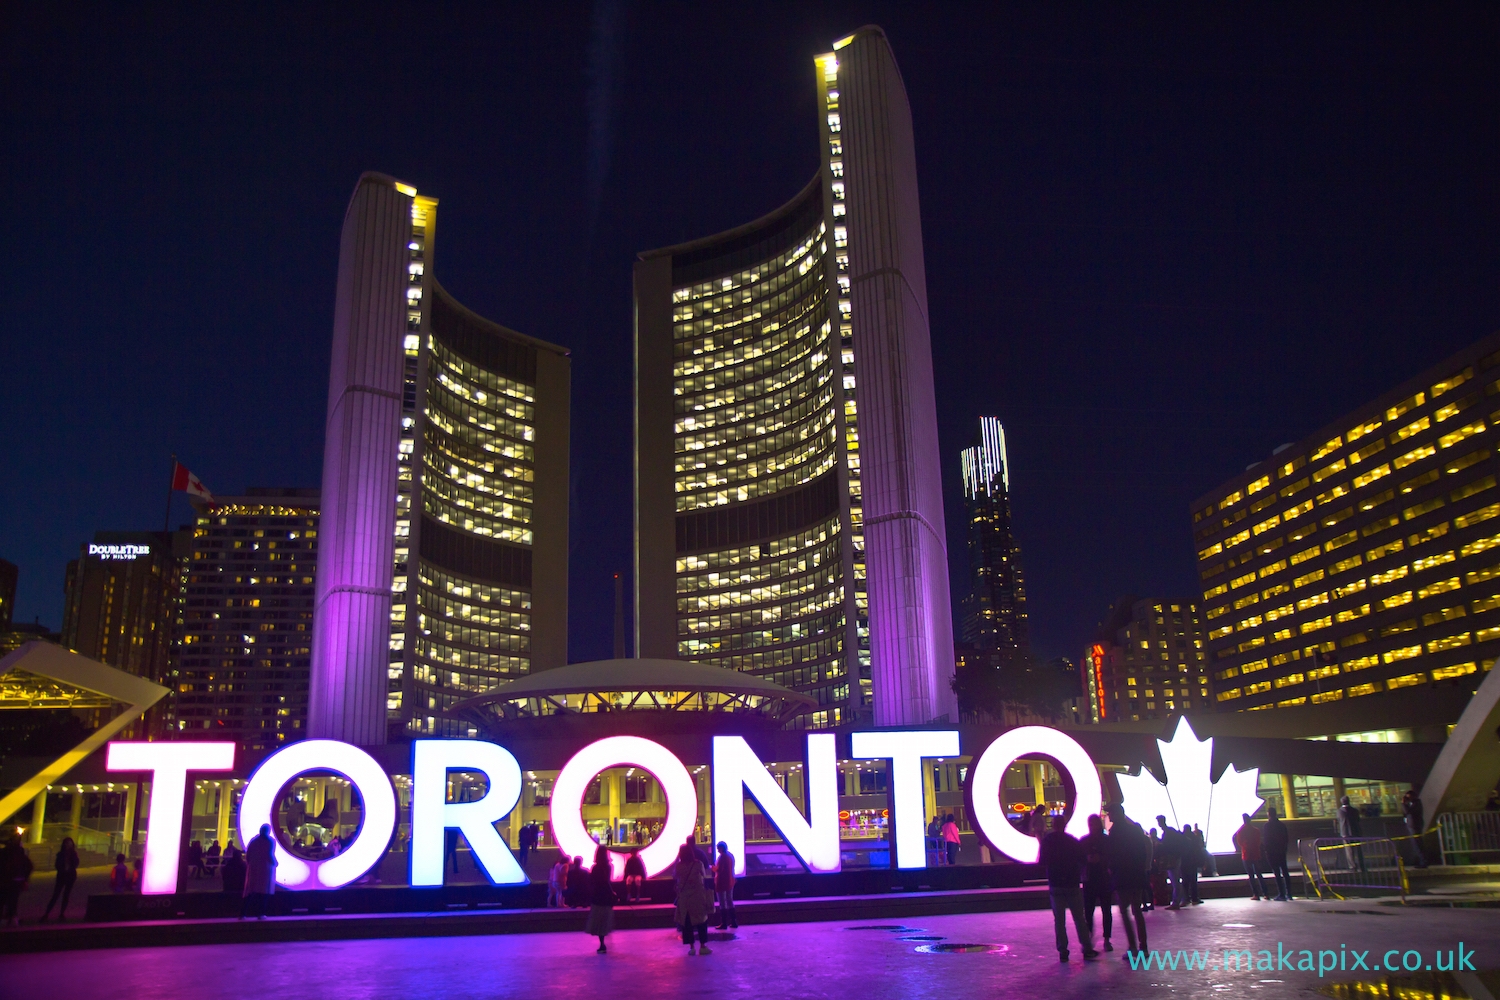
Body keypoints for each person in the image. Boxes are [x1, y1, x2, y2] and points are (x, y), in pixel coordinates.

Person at [1039, 815, 1096, 962]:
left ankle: (1063, 950)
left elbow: (1041, 861)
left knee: (1059, 920)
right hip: (1072, 883)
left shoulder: (1047, 841)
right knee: (1079, 918)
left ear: (1053, 825)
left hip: (1055, 883)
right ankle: (1087, 948)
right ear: (1065, 825)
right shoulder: (1072, 841)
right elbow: (1083, 860)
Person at [1105, 804, 1149, 960]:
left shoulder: (1114, 832)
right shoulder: (1134, 830)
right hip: (1136, 875)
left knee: (1124, 911)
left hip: (1122, 877)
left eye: (1109, 813)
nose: (1108, 816)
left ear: (1116, 814)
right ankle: (1143, 946)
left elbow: (1112, 855)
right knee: (1137, 911)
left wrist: (1111, 869)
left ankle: (1133, 947)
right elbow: (1143, 851)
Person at [674, 842, 713, 955]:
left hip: (684, 899)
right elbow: (704, 876)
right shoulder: (698, 864)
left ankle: (691, 947)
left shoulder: (679, 866)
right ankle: (703, 946)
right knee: (702, 922)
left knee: (687, 923)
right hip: (697, 897)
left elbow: (675, 877)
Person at [1080, 815, 1113, 951]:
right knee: (1090, 910)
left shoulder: (1087, 841)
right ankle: (1092, 937)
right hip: (1094, 878)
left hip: (1101, 878)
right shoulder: (1104, 840)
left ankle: (1104, 938)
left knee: (1104, 910)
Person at [241, 822, 278, 919]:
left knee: (250, 891)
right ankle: (261, 913)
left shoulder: (253, 841)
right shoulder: (270, 841)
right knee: (264, 893)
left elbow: (248, 855)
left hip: (254, 869)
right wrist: (275, 863)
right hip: (265, 870)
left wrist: (250, 864)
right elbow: (269, 854)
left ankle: (243, 913)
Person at [584, 844, 615, 953]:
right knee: (605, 919)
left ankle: (602, 943)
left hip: (597, 895)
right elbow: (608, 881)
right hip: (606, 894)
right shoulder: (609, 866)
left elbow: (592, 882)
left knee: (598, 918)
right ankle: (603, 940)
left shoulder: (595, 868)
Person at [40, 837, 80, 921]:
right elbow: (57, 865)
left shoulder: (73, 854)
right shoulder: (61, 854)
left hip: (70, 876)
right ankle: (47, 913)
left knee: (66, 895)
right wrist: (63, 868)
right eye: (67, 843)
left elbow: (76, 863)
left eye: (70, 843)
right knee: (56, 894)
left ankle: (62, 914)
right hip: (62, 876)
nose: (69, 844)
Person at [1232, 813, 1267, 900]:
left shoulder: (1241, 831)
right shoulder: (1256, 830)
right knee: (1259, 874)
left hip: (1246, 854)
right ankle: (1266, 893)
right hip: (1256, 854)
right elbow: (1259, 841)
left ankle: (1256, 894)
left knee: (1251, 875)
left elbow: (1239, 842)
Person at [0, 836, 33, 925]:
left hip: (5, 881)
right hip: (15, 880)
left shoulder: (4, 853)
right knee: (12, 900)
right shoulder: (19, 853)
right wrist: (24, 878)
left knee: (3, 900)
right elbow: (29, 866)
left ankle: (6, 918)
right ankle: (12, 917)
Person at [1262, 806, 1291, 901]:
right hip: (1281, 851)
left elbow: (1266, 840)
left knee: (1277, 873)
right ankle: (1289, 893)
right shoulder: (1281, 825)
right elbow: (1286, 838)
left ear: (1269, 814)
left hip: (1272, 852)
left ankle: (1281, 893)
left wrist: (1266, 850)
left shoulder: (1267, 826)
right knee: (1285, 871)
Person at [1154, 815, 1184, 908]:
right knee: (1175, 880)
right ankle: (1180, 900)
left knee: (1174, 880)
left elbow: (1166, 847)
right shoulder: (1171, 831)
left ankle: (1176, 902)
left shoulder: (1167, 833)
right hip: (1175, 857)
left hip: (1172, 858)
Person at [1337, 795, 1365, 872]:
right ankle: (1362, 866)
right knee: (1359, 850)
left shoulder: (1339, 811)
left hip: (1345, 834)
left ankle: (1352, 866)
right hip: (1356, 832)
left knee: (1349, 851)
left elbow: (1339, 821)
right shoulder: (1355, 811)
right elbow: (1358, 820)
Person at [714, 841, 737, 930]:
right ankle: (733, 921)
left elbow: (719, 870)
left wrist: (713, 868)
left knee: (722, 903)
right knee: (730, 901)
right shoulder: (730, 856)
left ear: (720, 848)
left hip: (722, 882)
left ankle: (724, 923)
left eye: (718, 848)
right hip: (730, 881)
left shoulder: (722, 857)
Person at [1401, 789, 1428, 868]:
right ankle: (1421, 861)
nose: (1408, 799)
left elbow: (1408, 812)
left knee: (1418, 844)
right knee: (1416, 845)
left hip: (1415, 826)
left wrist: (1403, 804)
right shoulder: (1412, 804)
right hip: (1412, 826)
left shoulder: (1417, 803)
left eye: (1409, 797)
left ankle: (1423, 862)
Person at [1179, 824, 1203, 905]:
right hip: (1192, 862)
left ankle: (1186, 898)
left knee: (1185, 882)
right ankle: (1194, 898)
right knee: (1193, 881)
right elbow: (1199, 848)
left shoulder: (1182, 839)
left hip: (1184, 862)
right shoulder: (1194, 838)